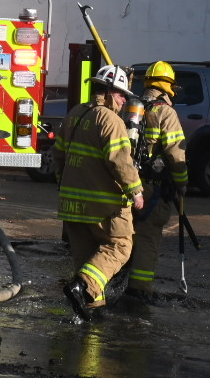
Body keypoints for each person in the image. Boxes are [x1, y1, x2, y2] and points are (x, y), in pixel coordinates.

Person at [55, 63, 144, 319]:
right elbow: (120, 161)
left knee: (89, 261)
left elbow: (58, 155)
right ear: (108, 92)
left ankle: (90, 313)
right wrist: (136, 191)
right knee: (120, 247)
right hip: (103, 206)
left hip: (72, 205)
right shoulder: (110, 120)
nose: (123, 101)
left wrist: (64, 184)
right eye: (121, 95)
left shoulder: (75, 113)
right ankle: (80, 287)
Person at [125, 60, 189, 300]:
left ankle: (117, 282)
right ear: (168, 87)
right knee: (148, 238)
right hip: (152, 189)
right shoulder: (166, 112)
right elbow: (175, 153)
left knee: (124, 235)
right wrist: (182, 183)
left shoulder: (129, 108)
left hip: (126, 184)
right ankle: (139, 290)